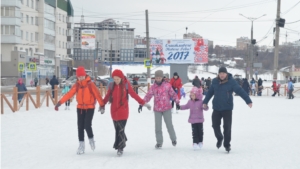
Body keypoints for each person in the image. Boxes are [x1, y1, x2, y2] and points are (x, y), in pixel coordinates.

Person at [54, 66, 104, 155]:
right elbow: (69, 94)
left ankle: (91, 139)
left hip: (90, 108)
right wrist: (60, 102)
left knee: (87, 125)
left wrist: (102, 105)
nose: (80, 78)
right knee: (80, 127)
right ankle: (81, 145)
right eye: (79, 76)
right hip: (80, 108)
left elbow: (97, 94)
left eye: (82, 76)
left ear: (84, 75)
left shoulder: (90, 84)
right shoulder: (77, 85)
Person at [101, 69, 151, 156]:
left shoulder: (126, 85)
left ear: (121, 78)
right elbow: (107, 96)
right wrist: (102, 105)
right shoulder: (111, 85)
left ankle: (120, 148)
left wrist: (143, 103)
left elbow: (134, 95)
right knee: (118, 130)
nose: (116, 81)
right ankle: (123, 140)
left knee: (120, 130)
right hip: (113, 111)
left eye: (118, 79)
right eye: (114, 79)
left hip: (123, 110)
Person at [203, 67, 252, 153]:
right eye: (220, 73)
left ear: (226, 74)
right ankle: (219, 138)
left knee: (227, 127)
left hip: (227, 108)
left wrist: (248, 100)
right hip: (217, 108)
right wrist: (205, 102)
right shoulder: (214, 81)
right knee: (215, 125)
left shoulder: (231, 82)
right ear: (218, 74)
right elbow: (210, 92)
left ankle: (227, 145)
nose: (222, 75)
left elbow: (240, 91)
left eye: (223, 73)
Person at [142, 70, 179, 149]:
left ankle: (173, 139)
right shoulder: (153, 87)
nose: (158, 79)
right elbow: (148, 96)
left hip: (167, 108)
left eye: (159, 77)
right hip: (157, 109)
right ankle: (159, 142)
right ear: (155, 78)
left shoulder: (167, 85)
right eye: (157, 77)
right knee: (158, 127)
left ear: (162, 77)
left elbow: (173, 94)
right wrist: (142, 103)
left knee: (169, 125)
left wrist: (177, 101)